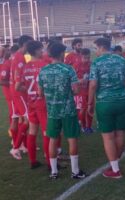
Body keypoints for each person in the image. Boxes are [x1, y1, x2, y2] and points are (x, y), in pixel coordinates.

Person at [88, 38, 125, 179]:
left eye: (96, 48)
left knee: (108, 137)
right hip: (122, 101)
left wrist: (90, 103)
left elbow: (93, 85)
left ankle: (115, 170)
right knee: (120, 134)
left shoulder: (96, 62)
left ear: (101, 47)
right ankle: (115, 164)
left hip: (105, 103)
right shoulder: (122, 60)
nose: (95, 51)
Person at [38, 42, 86, 180]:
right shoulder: (68, 69)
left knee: (53, 139)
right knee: (72, 139)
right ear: (60, 54)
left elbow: (40, 93)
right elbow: (76, 90)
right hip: (68, 110)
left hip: (52, 111)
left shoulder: (43, 70)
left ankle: (54, 172)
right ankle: (75, 171)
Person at [22, 41, 50, 169]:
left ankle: (32, 161)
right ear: (36, 50)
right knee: (46, 132)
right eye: (41, 49)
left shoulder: (25, 66)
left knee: (32, 131)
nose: (42, 52)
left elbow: (19, 86)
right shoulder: (44, 65)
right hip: (42, 102)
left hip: (30, 102)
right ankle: (51, 163)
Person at [10, 35, 33, 160]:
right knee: (28, 120)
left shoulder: (19, 57)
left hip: (16, 93)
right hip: (19, 94)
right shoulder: (19, 58)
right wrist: (30, 90)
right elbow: (18, 84)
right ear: (25, 43)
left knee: (21, 120)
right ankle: (15, 148)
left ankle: (22, 145)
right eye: (30, 44)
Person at [73, 48, 94, 134]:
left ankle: (89, 127)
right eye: (85, 58)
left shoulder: (92, 64)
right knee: (82, 109)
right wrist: (79, 80)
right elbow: (71, 79)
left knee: (91, 108)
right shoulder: (76, 65)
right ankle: (83, 126)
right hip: (80, 91)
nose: (87, 60)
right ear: (81, 57)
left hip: (90, 90)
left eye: (88, 57)